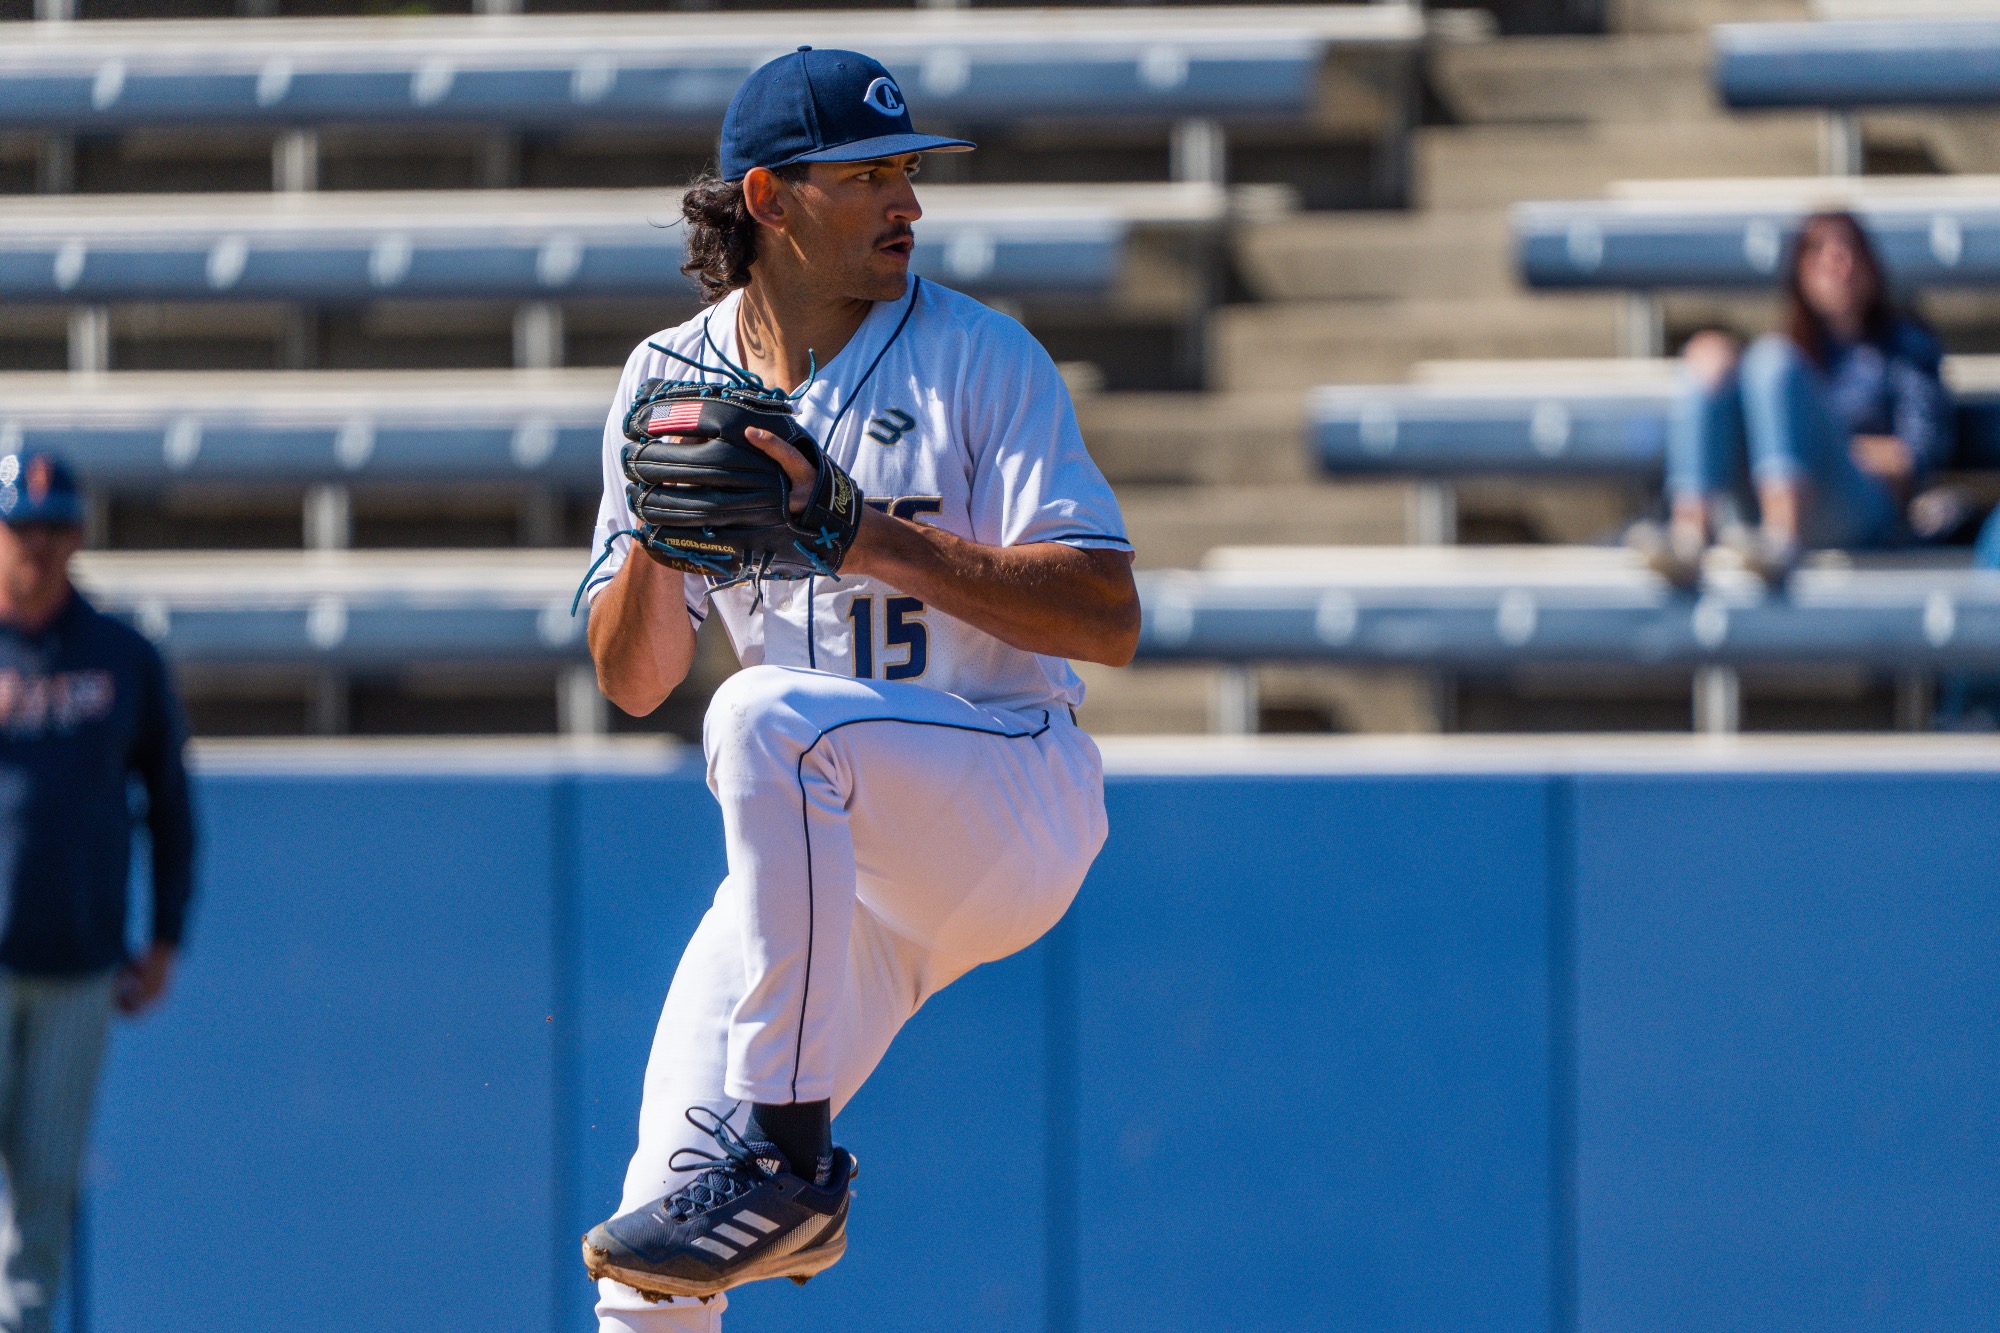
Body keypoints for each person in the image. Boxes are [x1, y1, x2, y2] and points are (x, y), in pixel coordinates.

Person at [576, 48, 1138, 1331]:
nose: (908, 201)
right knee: (653, 1269)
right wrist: (666, 532)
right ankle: (757, 1177)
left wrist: (864, 533)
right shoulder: (664, 379)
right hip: (822, 884)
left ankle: (786, 1161)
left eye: (908, 171)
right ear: (768, 199)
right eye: (869, 174)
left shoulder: (978, 359)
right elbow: (634, 674)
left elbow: (1107, 618)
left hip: (1003, 796)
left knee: (762, 716)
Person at [0, 450, 194, 1333]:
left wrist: (164, 936)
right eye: (21, 528)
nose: (37, 546)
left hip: (77, 962)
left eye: (52, 527)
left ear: (76, 534)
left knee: (42, 1196)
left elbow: (169, 800)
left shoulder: (121, 656)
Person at [1636, 211, 1954, 587]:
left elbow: (1916, 456)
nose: (1836, 261)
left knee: (1771, 359)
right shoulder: (1790, 349)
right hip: (1762, 498)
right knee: (1708, 359)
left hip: (1860, 508)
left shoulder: (1904, 345)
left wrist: (1822, 445)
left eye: (1849, 248)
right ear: (1799, 273)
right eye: (1818, 250)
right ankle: (1689, 537)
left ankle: (1782, 538)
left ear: (1872, 265)